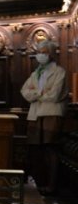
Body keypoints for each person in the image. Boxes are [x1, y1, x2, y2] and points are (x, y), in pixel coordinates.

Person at [22, 40, 67, 194]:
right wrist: (39, 94)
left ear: (51, 54)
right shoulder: (36, 73)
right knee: (35, 149)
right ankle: (38, 183)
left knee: (50, 149)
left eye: (44, 52)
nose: (40, 55)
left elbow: (54, 95)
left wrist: (36, 94)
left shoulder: (59, 72)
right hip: (35, 113)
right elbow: (24, 91)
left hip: (51, 113)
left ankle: (52, 185)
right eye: (39, 51)